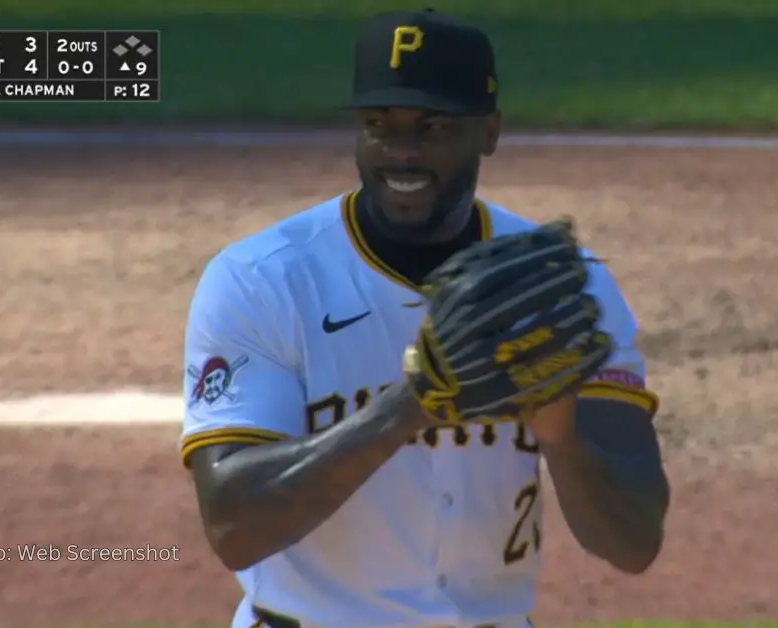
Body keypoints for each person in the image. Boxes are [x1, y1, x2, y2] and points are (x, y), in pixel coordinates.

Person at [179, 9, 670, 628]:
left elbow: (634, 541)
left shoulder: (561, 290)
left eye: (433, 127)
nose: (402, 153)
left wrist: (561, 436)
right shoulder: (263, 280)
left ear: (488, 131)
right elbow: (232, 525)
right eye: (379, 126)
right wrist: (411, 405)